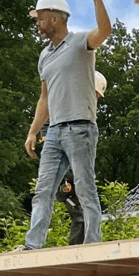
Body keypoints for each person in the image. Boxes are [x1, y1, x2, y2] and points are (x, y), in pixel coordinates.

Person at [18, 0, 112, 250]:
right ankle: (33, 244)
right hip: (55, 131)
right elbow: (44, 99)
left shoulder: (81, 43)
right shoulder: (44, 57)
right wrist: (33, 131)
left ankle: (93, 243)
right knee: (43, 190)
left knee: (84, 187)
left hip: (81, 128)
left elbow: (105, 31)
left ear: (55, 18)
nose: (38, 23)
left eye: (40, 18)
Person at [38, 71, 108, 245]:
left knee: (84, 209)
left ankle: (87, 243)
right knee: (79, 214)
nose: (95, 99)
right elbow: (58, 152)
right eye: (95, 95)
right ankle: (74, 249)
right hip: (65, 182)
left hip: (74, 179)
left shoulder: (85, 115)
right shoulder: (59, 114)